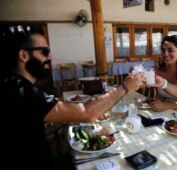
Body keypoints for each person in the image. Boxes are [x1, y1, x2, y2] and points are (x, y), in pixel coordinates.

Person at [0, 25, 144, 170]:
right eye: (45, 51)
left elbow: (40, 116)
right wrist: (125, 87)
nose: (50, 57)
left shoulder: (14, 84)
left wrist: (71, 116)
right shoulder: (21, 91)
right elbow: (86, 112)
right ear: (24, 55)